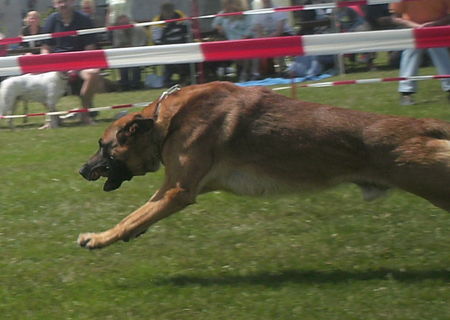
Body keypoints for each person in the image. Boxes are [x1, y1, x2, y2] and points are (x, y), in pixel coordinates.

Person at [41, 0, 100, 125]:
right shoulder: (51, 20)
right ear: (55, 4)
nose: (63, 4)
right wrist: (45, 62)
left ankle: (85, 115)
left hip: (80, 62)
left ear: (72, 2)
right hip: (57, 65)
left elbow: (90, 47)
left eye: (65, 1)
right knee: (39, 80)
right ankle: (54, 117)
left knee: (93, 74)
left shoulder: (84, 19)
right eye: (59, 2)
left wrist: (77, 66)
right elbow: (45, 47)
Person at [390, 0, 450, 105]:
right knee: (410, 53)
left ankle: (449, 87)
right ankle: (406, 92)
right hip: (412, 30)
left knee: (440, 52)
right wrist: (415, 26)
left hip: (437, 29)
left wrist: (435, 24)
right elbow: (395, 17)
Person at [212, 0, 253, 82]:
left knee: (243, 54)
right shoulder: (224, 13)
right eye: (226, 3)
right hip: (230, 43)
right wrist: (220, 28)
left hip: (244, 41)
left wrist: (243, 39)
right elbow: (214, 24)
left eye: (230, 3)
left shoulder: (246, 15)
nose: (228, 5)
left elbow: (250, 29)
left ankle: (245, 73)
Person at [251, 0, 294, 76]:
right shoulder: (258, 13)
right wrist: (263, 38)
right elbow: (258, 31)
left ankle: (282, 69)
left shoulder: (279, 10)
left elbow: (279, 31)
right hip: (269, 36)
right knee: (259, 44)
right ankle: (261, 71)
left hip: (285, 34)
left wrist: (267, 38)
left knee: (278, 42)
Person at [152, 3, 190, 87]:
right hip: (167, 49)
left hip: (182, 46)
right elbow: (156, 40)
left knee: (185, 61)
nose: (169, 15)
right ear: (162, 12)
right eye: (167, 12)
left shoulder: (181, 16)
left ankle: (185, 78)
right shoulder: (157, 22)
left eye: (170, 12)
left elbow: (188, 30)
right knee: (170, 63)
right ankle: (167, 81)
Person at [112, 14, 147, 90]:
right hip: (124, 54)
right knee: (121, 64)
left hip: (138, 53)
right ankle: (124, 85)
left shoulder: (138, 29)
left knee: (135, 64)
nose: (123, 26)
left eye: (125, 24)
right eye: (121, 24)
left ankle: (136, 84)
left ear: (129, 22)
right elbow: (117, 45)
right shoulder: (117, 31)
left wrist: (127, 46)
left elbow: (138, 45)